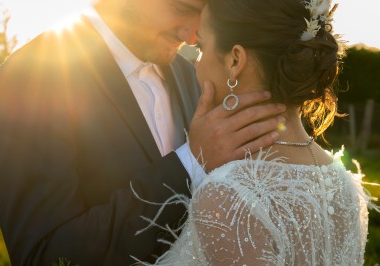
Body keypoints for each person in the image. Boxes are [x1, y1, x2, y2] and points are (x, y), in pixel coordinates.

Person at [0, 0, 286, 265]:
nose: (193, 36)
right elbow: (46, 253)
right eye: (182, 8)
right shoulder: (32, 75)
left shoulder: (189, 74)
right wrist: (190, 162)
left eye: (201, 14)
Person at [132, 0, 379, 265]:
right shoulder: (344, 186)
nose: (196, 65)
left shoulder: (228, 196)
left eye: (200, 47)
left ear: (236, 60)